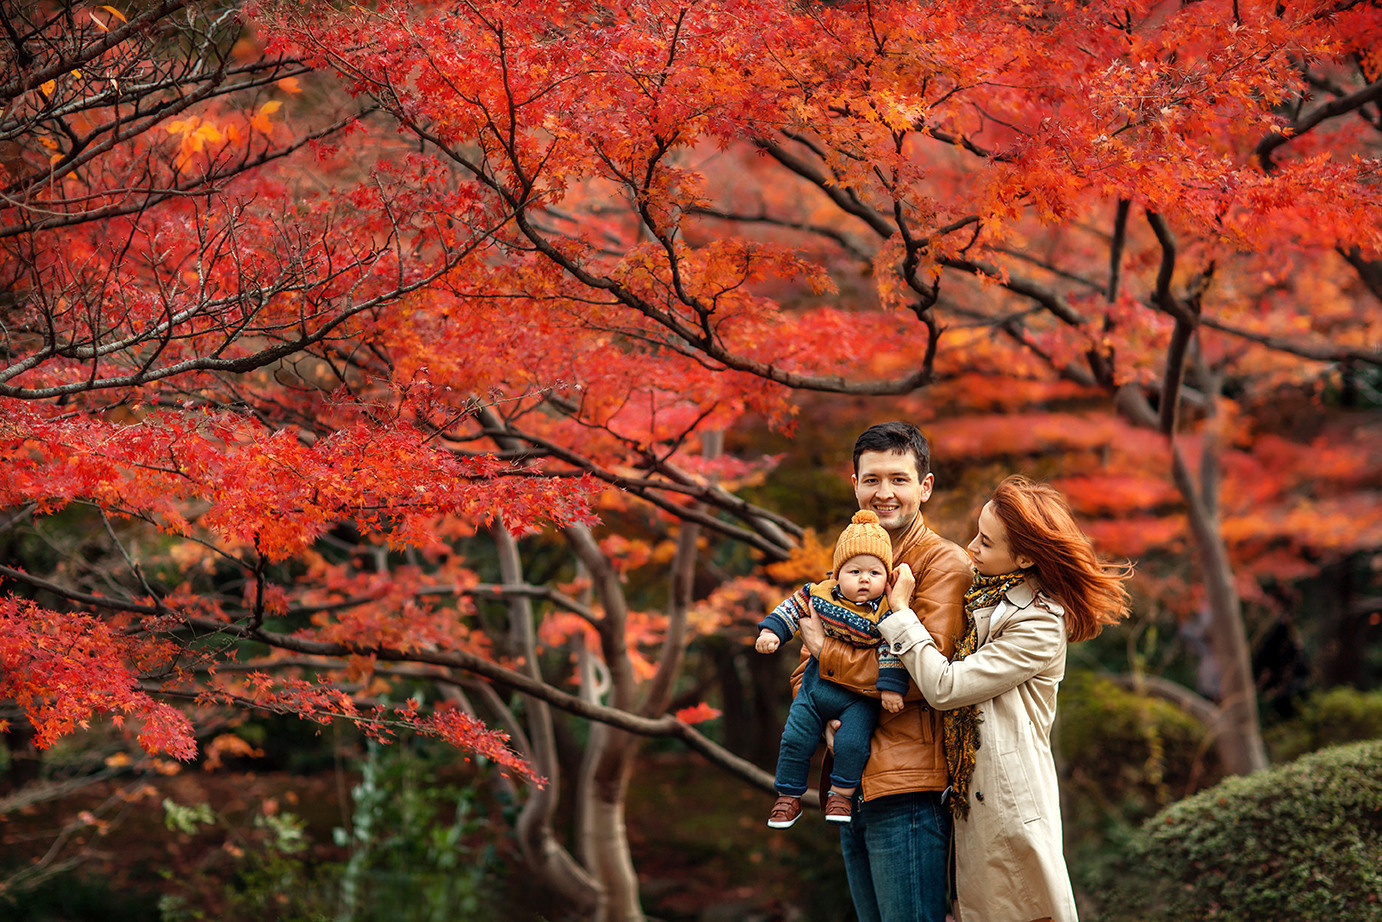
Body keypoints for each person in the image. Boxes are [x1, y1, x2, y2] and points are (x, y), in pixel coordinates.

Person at [878, 474, 1133, 922]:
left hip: (1007, 808)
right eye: (977, 534)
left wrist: (901, 613)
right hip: (965, 798)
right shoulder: (983, 595)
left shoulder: (1039, 624)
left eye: (986, 542)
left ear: (1026, 557)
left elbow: (945, 687)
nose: (971, 547)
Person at [795, 422, 971, 922]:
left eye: (899, 479)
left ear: (925, 487)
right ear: (855, 484)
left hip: (908, 790)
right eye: (872, 479)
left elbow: (924, 674)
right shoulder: (851, 562)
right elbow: (805, 665)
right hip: (850, 782)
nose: (884, 492)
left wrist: (827, 655)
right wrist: (827, 720)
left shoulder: (943, 564)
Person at [757, 510, 909, 828]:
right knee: (795, 738)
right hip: (815, 688)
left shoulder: (885, 613)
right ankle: (788, 796)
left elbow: (891, 649)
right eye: (855, 571)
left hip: (858, 698)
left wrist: (891, 687)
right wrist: (772, 632)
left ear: (887, 577)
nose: (864, 579)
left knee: (852, 744)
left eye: (875, 572)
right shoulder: (820, 594)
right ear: (838, 574)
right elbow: (791, 608)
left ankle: (840, 795)